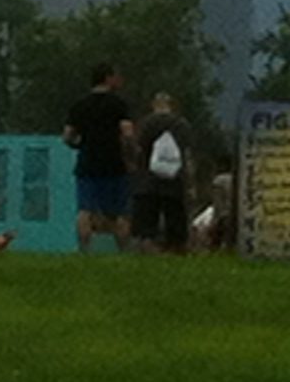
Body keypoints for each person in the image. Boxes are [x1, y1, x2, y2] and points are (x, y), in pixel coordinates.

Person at [63, 65, 136, 255]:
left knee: (85, 210)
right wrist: (130, 155)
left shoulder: (80, 105)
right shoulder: (118, 104)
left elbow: (67, 136)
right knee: (120, 213)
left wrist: (79, 146)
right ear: (107, 78)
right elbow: (127, 133)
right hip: (114, 164)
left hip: (87, 164)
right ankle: (123, 251)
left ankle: (84, 250)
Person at [133, 92, 193, 253]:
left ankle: (151, 254)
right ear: (172, 105)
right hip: (174, 180)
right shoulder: (181, 124)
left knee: (147, 228)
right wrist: (189, 182)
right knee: (175, 224)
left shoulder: (146, 123)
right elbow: (186, 155)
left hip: (148, 181)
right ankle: (174, 253)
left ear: (153, 105)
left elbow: (138, 150)